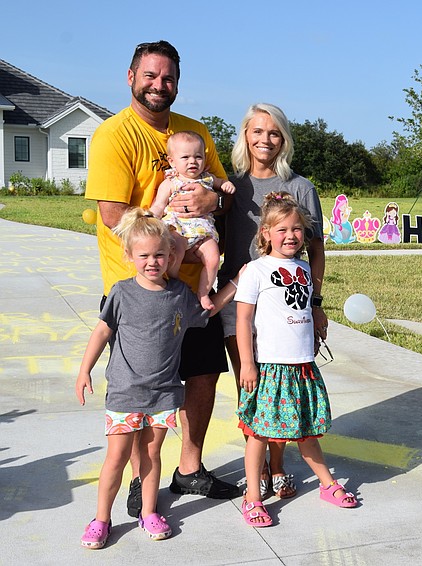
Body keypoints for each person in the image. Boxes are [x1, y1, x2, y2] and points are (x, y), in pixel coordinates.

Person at [85, 40, 241, 519]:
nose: (159, 85)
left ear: (178, 82)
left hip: (197, 289)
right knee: (144, 388)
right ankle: (141, 476)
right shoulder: (113, 135)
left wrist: (211, 203)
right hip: (141, 288)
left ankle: (188, 468)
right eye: (150, 76)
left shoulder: (196, 132)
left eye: (168, 77)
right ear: (130, 77)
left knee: (202, 373)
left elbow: (223, 193)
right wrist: (164, 237)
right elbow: (114, 215)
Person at [76, 209, 238, 548]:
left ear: (171, 256)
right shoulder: (121, 293)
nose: (153, 261)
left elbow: (205, 314)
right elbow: (103, 331)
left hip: (164, 393)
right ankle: (101, 519)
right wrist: (84, 369)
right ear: (130, 256)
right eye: (144, 255)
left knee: (152, 455)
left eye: (160, 254)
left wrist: (236, 283)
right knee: (117, 458)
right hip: (124, 392)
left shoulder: (179, 293)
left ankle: (149, 512)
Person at [217, 103, 327, 500]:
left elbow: (315, 250)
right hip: (240, 303)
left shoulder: (300, 187)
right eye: (257, 131)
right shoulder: (229, 188)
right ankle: (257, 468)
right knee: (254, 384)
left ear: (284, 140)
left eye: (274, 133)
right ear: (245, 136)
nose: (265, 139)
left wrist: (315, 303)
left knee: (285, 388)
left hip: (288, 304)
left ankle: (277, 467)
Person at [234, 192, 356, 526]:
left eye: (297, 229)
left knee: (306, 432)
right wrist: (247, 363)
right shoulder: (256, 271)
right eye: (282, 229)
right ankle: (253, 498)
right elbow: (243, 320)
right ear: (265, 234)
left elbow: (305, 306)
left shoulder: (303, 268)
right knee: (259, 433)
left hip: (302, 366)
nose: (291, 235)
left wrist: (317, 314)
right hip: (270, 367)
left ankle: (327, 485)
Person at [150, 130, 236, 310]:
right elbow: (158, 205)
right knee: (177, 250)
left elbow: (221, 186)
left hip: (203, 231)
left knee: (213, 258)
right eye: (186, 157)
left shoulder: (207, 178)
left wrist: (225, 185)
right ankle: (174, 283)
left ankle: (203, 293)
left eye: (198, 157)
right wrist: (150, 217)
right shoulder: (171, 182)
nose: (192, 161)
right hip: (179, 228)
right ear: (172, 161)